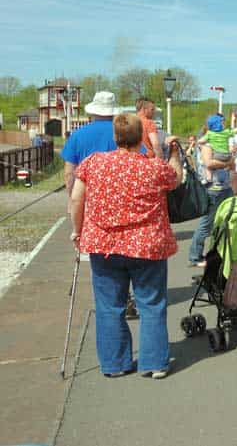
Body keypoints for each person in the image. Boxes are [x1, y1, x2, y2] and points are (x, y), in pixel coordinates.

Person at [68, 113, 183, 378]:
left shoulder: (93, 163)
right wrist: (174, 151)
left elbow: (77, 200)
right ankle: (154, 364)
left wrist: (78, 231)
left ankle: (115, 364)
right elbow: (175, 178)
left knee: (109, 307)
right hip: (147, 245)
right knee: (151, 305)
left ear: (116, 137)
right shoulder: (153, 167)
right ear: (140, 137)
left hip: (104, 244)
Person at [62, 91, 120, 202]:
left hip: (88, 198)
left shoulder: (77, 135)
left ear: (93, 112)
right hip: (117, 199)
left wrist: (72, 198)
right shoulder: (124, 133)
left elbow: (69, 173)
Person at [188, 148, 233, 268]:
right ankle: (195, 256)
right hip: (213, 190)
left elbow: (233, 165)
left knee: (226, 221)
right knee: (206, 224)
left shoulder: (223, 144)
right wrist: (226, 164)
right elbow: (208, 163)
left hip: (226, 188)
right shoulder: (207, 145)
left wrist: (228, 161)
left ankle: (222, 253)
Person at [198, 113, 233, 184]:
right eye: (221, 123)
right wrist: (227, 163)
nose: (223, 125)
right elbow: (209, 163)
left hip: (223, 177)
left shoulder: (222, 136)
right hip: (211, 179)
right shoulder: (207, 142)